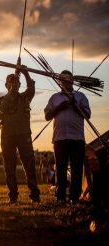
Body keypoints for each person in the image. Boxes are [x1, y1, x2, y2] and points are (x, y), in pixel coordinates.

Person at [44, 70, 91, 204]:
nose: (65, 82)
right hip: (60, 138)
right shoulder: (55, 98)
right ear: (59, 82)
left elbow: (87, 115)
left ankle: (74, 197)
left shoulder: (80, 96)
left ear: (72, 80)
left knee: (76, 168)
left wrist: (76, 105)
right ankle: (60, 196)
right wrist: (60, 107)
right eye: (62, 80)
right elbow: (47, 116)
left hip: (77, 138)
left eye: (68, 79)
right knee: (61, 168)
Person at [0, 67, 40, 203]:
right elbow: (2, 107)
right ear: (6, 85)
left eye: (15, 84)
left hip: (23, 134)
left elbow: (32, 87)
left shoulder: (25, 97)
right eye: (10, 83)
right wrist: (11, 92)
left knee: (29, 165)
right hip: (7, 136)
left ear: (20, 85)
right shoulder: (2, 99)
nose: (13, 86)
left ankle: (35, 195)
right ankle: (13, 196)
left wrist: (25, 73)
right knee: (9, 167)